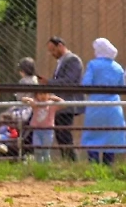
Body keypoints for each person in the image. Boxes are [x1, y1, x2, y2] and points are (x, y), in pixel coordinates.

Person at [80, 38, 126, 166]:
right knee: (110, 138)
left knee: (93, 136)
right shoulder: (118, 68)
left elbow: (86, 85)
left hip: (96, 105)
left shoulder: (93, 65)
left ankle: (94, 167)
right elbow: (122, 86)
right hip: (113, 107)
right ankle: (108, 167)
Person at [47, 36, 84, 161]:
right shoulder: (62, 61)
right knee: (61, 134)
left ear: (60, 46)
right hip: (61, 104)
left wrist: (49, 83)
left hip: (68, 103)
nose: (52, 53)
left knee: (64, 134)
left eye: (53, 50)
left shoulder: (72, 60)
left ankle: (72, 161)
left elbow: (69, 81)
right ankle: (68, 161)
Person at [23, 89, 61, 163]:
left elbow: (63, 103)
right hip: (37, 130)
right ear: (36, 96)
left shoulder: (51, 105)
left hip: (48, 131)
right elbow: (23, 99)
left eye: (45, 94)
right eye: (40, 94)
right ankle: (39, 165)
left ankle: (47, 165)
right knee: (37, 150)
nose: (43, 96)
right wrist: (30, 99)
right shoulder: (35, 105)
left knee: (45, 151)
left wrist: (53, 98)